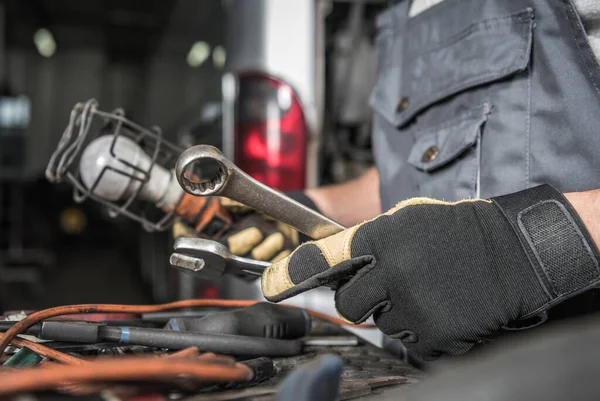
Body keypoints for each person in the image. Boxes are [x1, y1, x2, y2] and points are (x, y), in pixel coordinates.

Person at [179, 0, 600, 360]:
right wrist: (302, 208)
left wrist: (538, 243)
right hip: (423, 371)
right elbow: (413, 171)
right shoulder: (396, 12)